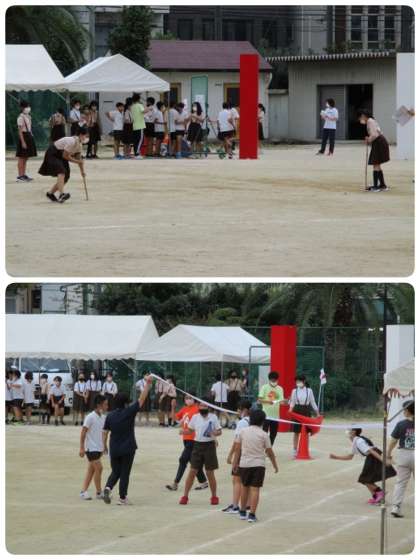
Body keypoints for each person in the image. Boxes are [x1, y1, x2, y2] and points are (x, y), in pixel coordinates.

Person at [102, 375, 153, 505]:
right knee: (125, 473)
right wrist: (148, 384)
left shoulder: (110, 416)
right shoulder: (129, 411)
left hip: (114, 447)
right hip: (128, 447)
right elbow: (142, 399)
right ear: (126, 403)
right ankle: (122, 498)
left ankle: (108, 488)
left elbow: (105, 432)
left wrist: (104, 446)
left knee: (116, 471)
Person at [233, 409, 278, 522]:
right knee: (255, 489)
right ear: (262, 421)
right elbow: (269, 452)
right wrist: (274, 464)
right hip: (258, 465)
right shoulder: (264, 434)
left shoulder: (243, 431)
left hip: (244, 464)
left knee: (245, 488)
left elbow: (237, 449)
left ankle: (242, 511)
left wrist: (235, 463)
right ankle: (252, 514)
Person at [329, 426, 396, 504]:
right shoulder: (356, 440)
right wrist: (336, 457)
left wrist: (383, 460)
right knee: (366, 479)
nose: (347, 431)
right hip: (371, 457)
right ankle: (377, 498)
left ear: (354, 432)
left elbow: (371, 451)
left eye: (350, 430)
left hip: (373, 458)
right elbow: (350, 457)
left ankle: (380, 492)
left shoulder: (359, 441)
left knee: (364, 479)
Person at [179, 400, 222, 506]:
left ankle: (214, 496)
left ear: (209, 407)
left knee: (210, 472)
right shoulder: (195, 417)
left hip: (209, 446)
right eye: (201, 405)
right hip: (197, 445)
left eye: (205, 405)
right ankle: (185, 496)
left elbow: (219, 431)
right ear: (198, 406)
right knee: (192, 471)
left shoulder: (213, 417)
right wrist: (184, 431)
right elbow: (190, 430)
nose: (202, 407)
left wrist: (214, 433)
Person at [165, 392, 208, 492]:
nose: (188, 400)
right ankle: (203, 482)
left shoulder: (198, 409)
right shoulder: (184, 409)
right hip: (186, 439)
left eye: (190, 398)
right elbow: (174, 418)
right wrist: (173, 407)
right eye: (186, 398)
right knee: (193, 462)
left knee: (183, 459)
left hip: (194, 439)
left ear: (194, 399)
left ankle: (175, 483)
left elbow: (202, 423)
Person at [39, 125, 88, 203]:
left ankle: (50, 193)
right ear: (81, 135)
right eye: (86, 136)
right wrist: (77, 162)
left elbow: (79, 159)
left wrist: (82, 171)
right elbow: (65, 156)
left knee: (66, 176)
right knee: (61, 171)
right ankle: (62, 194)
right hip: (53, 153)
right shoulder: (71, 141)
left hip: (61, 156)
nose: (86, 138)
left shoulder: (79, 145)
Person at [222, 399, 252, 514]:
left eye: (239, 409)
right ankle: (248, 504)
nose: (237, 411)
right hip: (251, 452)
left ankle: (235, 506)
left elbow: (237, 441)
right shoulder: (254, 420)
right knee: (247, 480)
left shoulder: (242, 423)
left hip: (242, 452)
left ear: (245, 410)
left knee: (237, 480)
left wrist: (231, 455)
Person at [387, 400, 415, 518]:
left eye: (404, 409)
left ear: (408, 410)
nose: (403, 411)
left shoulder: (401, 424)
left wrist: (388, 454)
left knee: (400, 483)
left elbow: (393, 441)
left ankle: (396, 507)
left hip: (404, 454)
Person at [79, 394, 109, 500]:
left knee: (91, 471)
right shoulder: (90, 417)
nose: (107, 407)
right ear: (99, 405)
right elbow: (83, 432)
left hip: (99, 449)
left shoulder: (104, 417)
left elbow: (104, 433)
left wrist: (105, 446)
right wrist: (81, 447)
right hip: (91, 449)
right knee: (99, 468)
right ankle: (99, 492)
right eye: (105, 404)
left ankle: (83, 491)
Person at [357, 108, 390, 192]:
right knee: (377, 164)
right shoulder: (371, 121)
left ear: (363, 116)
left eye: (360, 117)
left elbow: (374, 135)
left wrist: (368, 140)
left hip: (378, 142)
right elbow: (374, 133)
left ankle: (376, 187)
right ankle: (382, 185)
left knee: (375, 163)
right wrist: (369, 138)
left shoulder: (369, 121)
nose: (359, 120)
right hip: (379, 142)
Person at [289, 374, 320, 457]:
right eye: (297, 382)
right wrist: (290, 411)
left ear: (304, 381)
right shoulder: (294, 391)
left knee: (306, 432)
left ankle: (305, 449)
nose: (298, 383)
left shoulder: (309, 391)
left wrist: (317, 413)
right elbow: (292, 402)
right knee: (296, 432)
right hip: (297, 411)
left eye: (299, 381)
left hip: (306, 411)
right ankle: (295, 450)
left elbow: (313, 402)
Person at [258, 371, 286, 446]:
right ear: (269, 379)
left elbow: (281, 401)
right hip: (266, 415)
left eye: (275, 380)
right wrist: (268, 401)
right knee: (264, 433)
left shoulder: (280, 388)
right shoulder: (264, 387)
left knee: (273, 434)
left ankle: (269, 448)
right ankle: (262, 447)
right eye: (272, 380)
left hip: (275, 416)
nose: (274, 382)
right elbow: (259, 400)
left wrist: (285, 402)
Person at [16, 100, 37, 182]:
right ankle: (20, 176)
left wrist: (31, 135)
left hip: (28, 136)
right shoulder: (20, 118)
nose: (28, 108)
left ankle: (23, 175)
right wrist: (23, 142)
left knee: (26, 157)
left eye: (28, 106)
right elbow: (20, 131)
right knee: (21, 157)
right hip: (24, 137)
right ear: (22, 108)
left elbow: (29, 128)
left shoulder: (28, 116)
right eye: (26, 106)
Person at [131, 93, 147, 158]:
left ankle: (136, 153)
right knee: (140, 140)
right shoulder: (139, 105)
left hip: (134, 125)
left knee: (136, 141)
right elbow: (143, 111)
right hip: (140, 125)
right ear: (139, 99)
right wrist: (149, 108)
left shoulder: (132, 106)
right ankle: (137, 154)